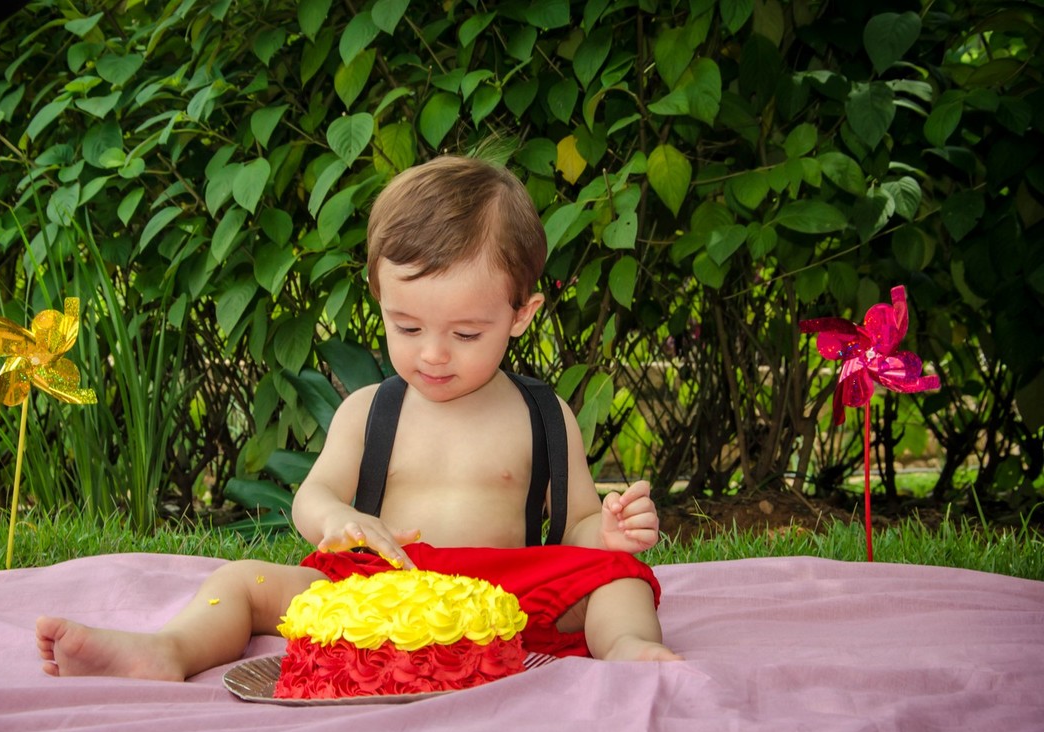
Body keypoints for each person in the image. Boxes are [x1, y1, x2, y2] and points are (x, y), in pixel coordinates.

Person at [36, 156, 681, 681]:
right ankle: (170, 649)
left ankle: (627, 647)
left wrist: (608, 533)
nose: (433, 354)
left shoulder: (543, 414)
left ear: (520, 315)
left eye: (465, 333)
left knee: (621, 581)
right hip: (377, 587)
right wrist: (336, 520)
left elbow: (573, 529)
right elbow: (311, 496)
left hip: (504, 597)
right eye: (408, 327)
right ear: (380, 298)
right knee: (242, 580)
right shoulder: (370, 411)